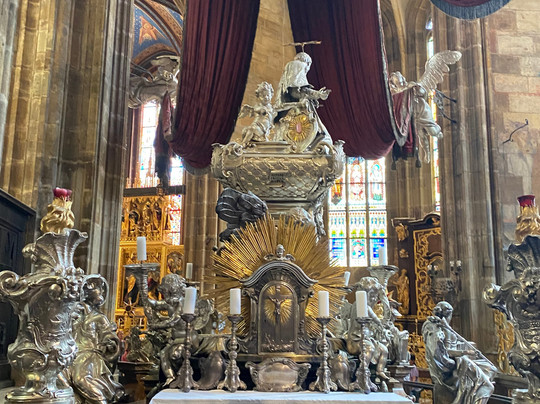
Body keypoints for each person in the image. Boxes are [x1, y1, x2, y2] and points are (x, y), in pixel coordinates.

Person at [422, 301, 497, 404]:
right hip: (458, 363)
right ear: (449, 315)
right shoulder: (442, 330)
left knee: (490, 369)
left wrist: (469, 348)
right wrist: (466, 352)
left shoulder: (442, 328)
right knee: (487, 385)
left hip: (458, 362)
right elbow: (446, 352)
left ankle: (473, 392)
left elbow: (449, 347)